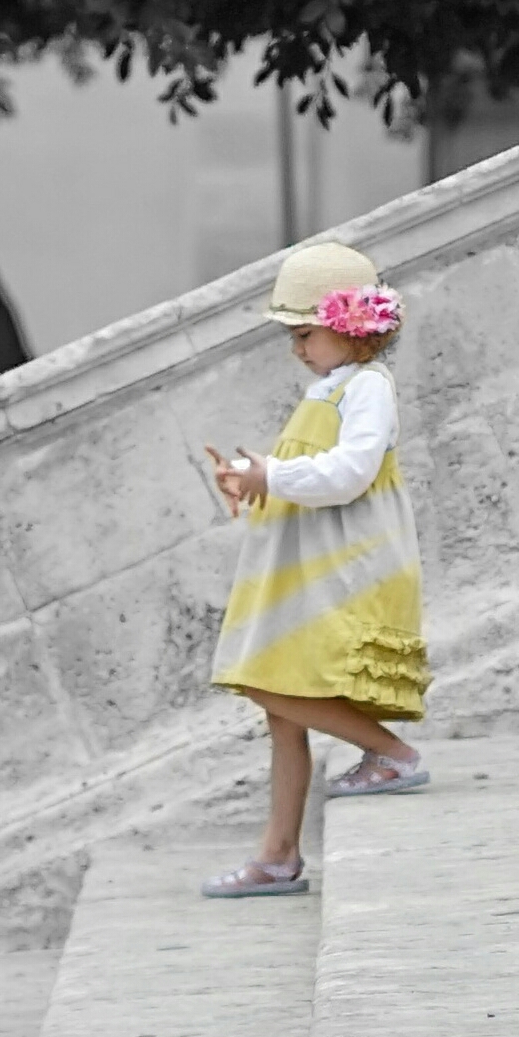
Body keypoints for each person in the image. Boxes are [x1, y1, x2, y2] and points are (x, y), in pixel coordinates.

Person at [200, 242, 432, 899]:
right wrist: (257, 478)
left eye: (304, 334)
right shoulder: (331, 388)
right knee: (281, 710)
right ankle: (277, 855)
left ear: (348, 328)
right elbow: (312, 472)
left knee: (265, 680)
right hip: (307, 566)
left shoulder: (368, 389)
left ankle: (393, 753)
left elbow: (349, 473)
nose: (298, 349)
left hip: (345, 568)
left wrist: (269, 473)